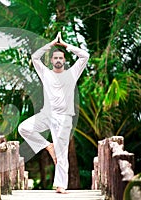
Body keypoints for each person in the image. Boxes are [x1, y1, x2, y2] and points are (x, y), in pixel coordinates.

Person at [18, 32, 89, 193]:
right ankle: (47, 146)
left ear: (64, 60)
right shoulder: (46, 73)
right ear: (51, 61)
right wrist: (50, 44)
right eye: (55, 58)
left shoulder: (72, 73)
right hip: (47, 115)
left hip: (64, 118)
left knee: (62, 152)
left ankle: (61, 185)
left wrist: (65, 45)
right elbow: (35, 58)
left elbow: (85, 56)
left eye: (60, 58)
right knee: (23, 128)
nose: (58, 60)